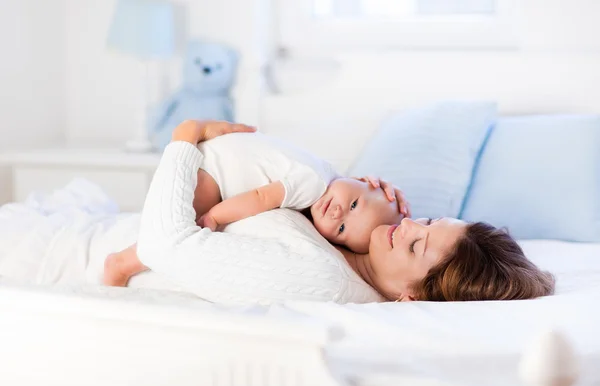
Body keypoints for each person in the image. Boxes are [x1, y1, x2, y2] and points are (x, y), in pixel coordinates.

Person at [105, 119, 555, 303]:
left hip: (109, 256)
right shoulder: (358, 249)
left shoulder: (323, 281)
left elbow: (164, 246)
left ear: (411, 297)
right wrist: (358, 193)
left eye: (418, 244)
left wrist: (185, 135)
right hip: (118, 228)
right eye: (430, 221)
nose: (409, 225)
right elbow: (303, 195)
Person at [104, 120, 411, 286]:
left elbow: (350, 200)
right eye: (354, 204)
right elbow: (261, 198)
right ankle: (123, 263)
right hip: (212, 169)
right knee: (177, 228)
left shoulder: (333, 181)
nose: (337, 212)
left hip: (218, 155)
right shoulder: (313, 183)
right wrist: (214, 216)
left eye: (342, 227)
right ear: (362, 179)